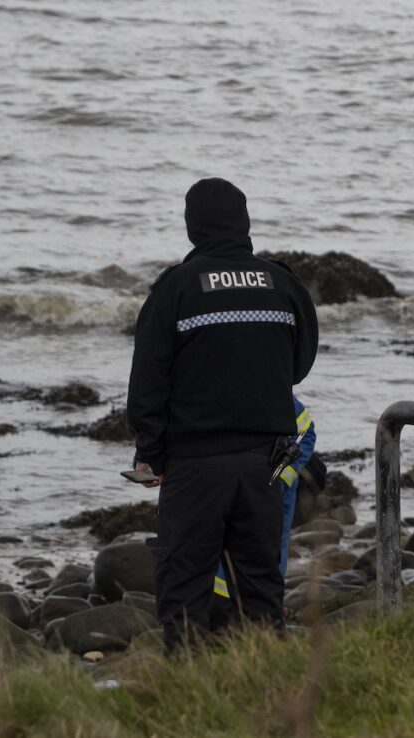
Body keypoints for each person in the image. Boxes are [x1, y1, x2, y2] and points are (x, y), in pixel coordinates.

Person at [127, 177, 318, 652]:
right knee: (259, 583)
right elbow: (300, 366)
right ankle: (267, 680)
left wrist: (152, 455)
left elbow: (147, 384)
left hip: (194, 466)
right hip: (265, 466)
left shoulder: (175, 288)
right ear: (244, 221)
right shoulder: (283, 283)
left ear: (193, 227)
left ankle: (191, 690)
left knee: (186, 583)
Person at [214, 394, 316, 607]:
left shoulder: (267, 383)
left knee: (266, 565)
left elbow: (305, 431)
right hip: (229, 489)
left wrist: (279, 480)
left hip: (269, 497)